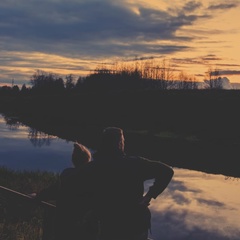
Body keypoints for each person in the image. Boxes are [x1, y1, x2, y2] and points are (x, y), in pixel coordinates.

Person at [85, 127, 174, 240]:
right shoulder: (134, 164)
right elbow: (167, 171)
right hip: (135, 225)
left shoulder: (93, 167)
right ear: (119, 143)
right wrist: (149, 196)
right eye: (123, 141)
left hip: (108, 224)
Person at [33, 142, 96, 240]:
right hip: (81, 227)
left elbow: (52, 192)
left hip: (62, 225)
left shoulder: (66, 176)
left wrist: (37, 196)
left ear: (73, 160)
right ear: (88, 160)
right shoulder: (92, 180)